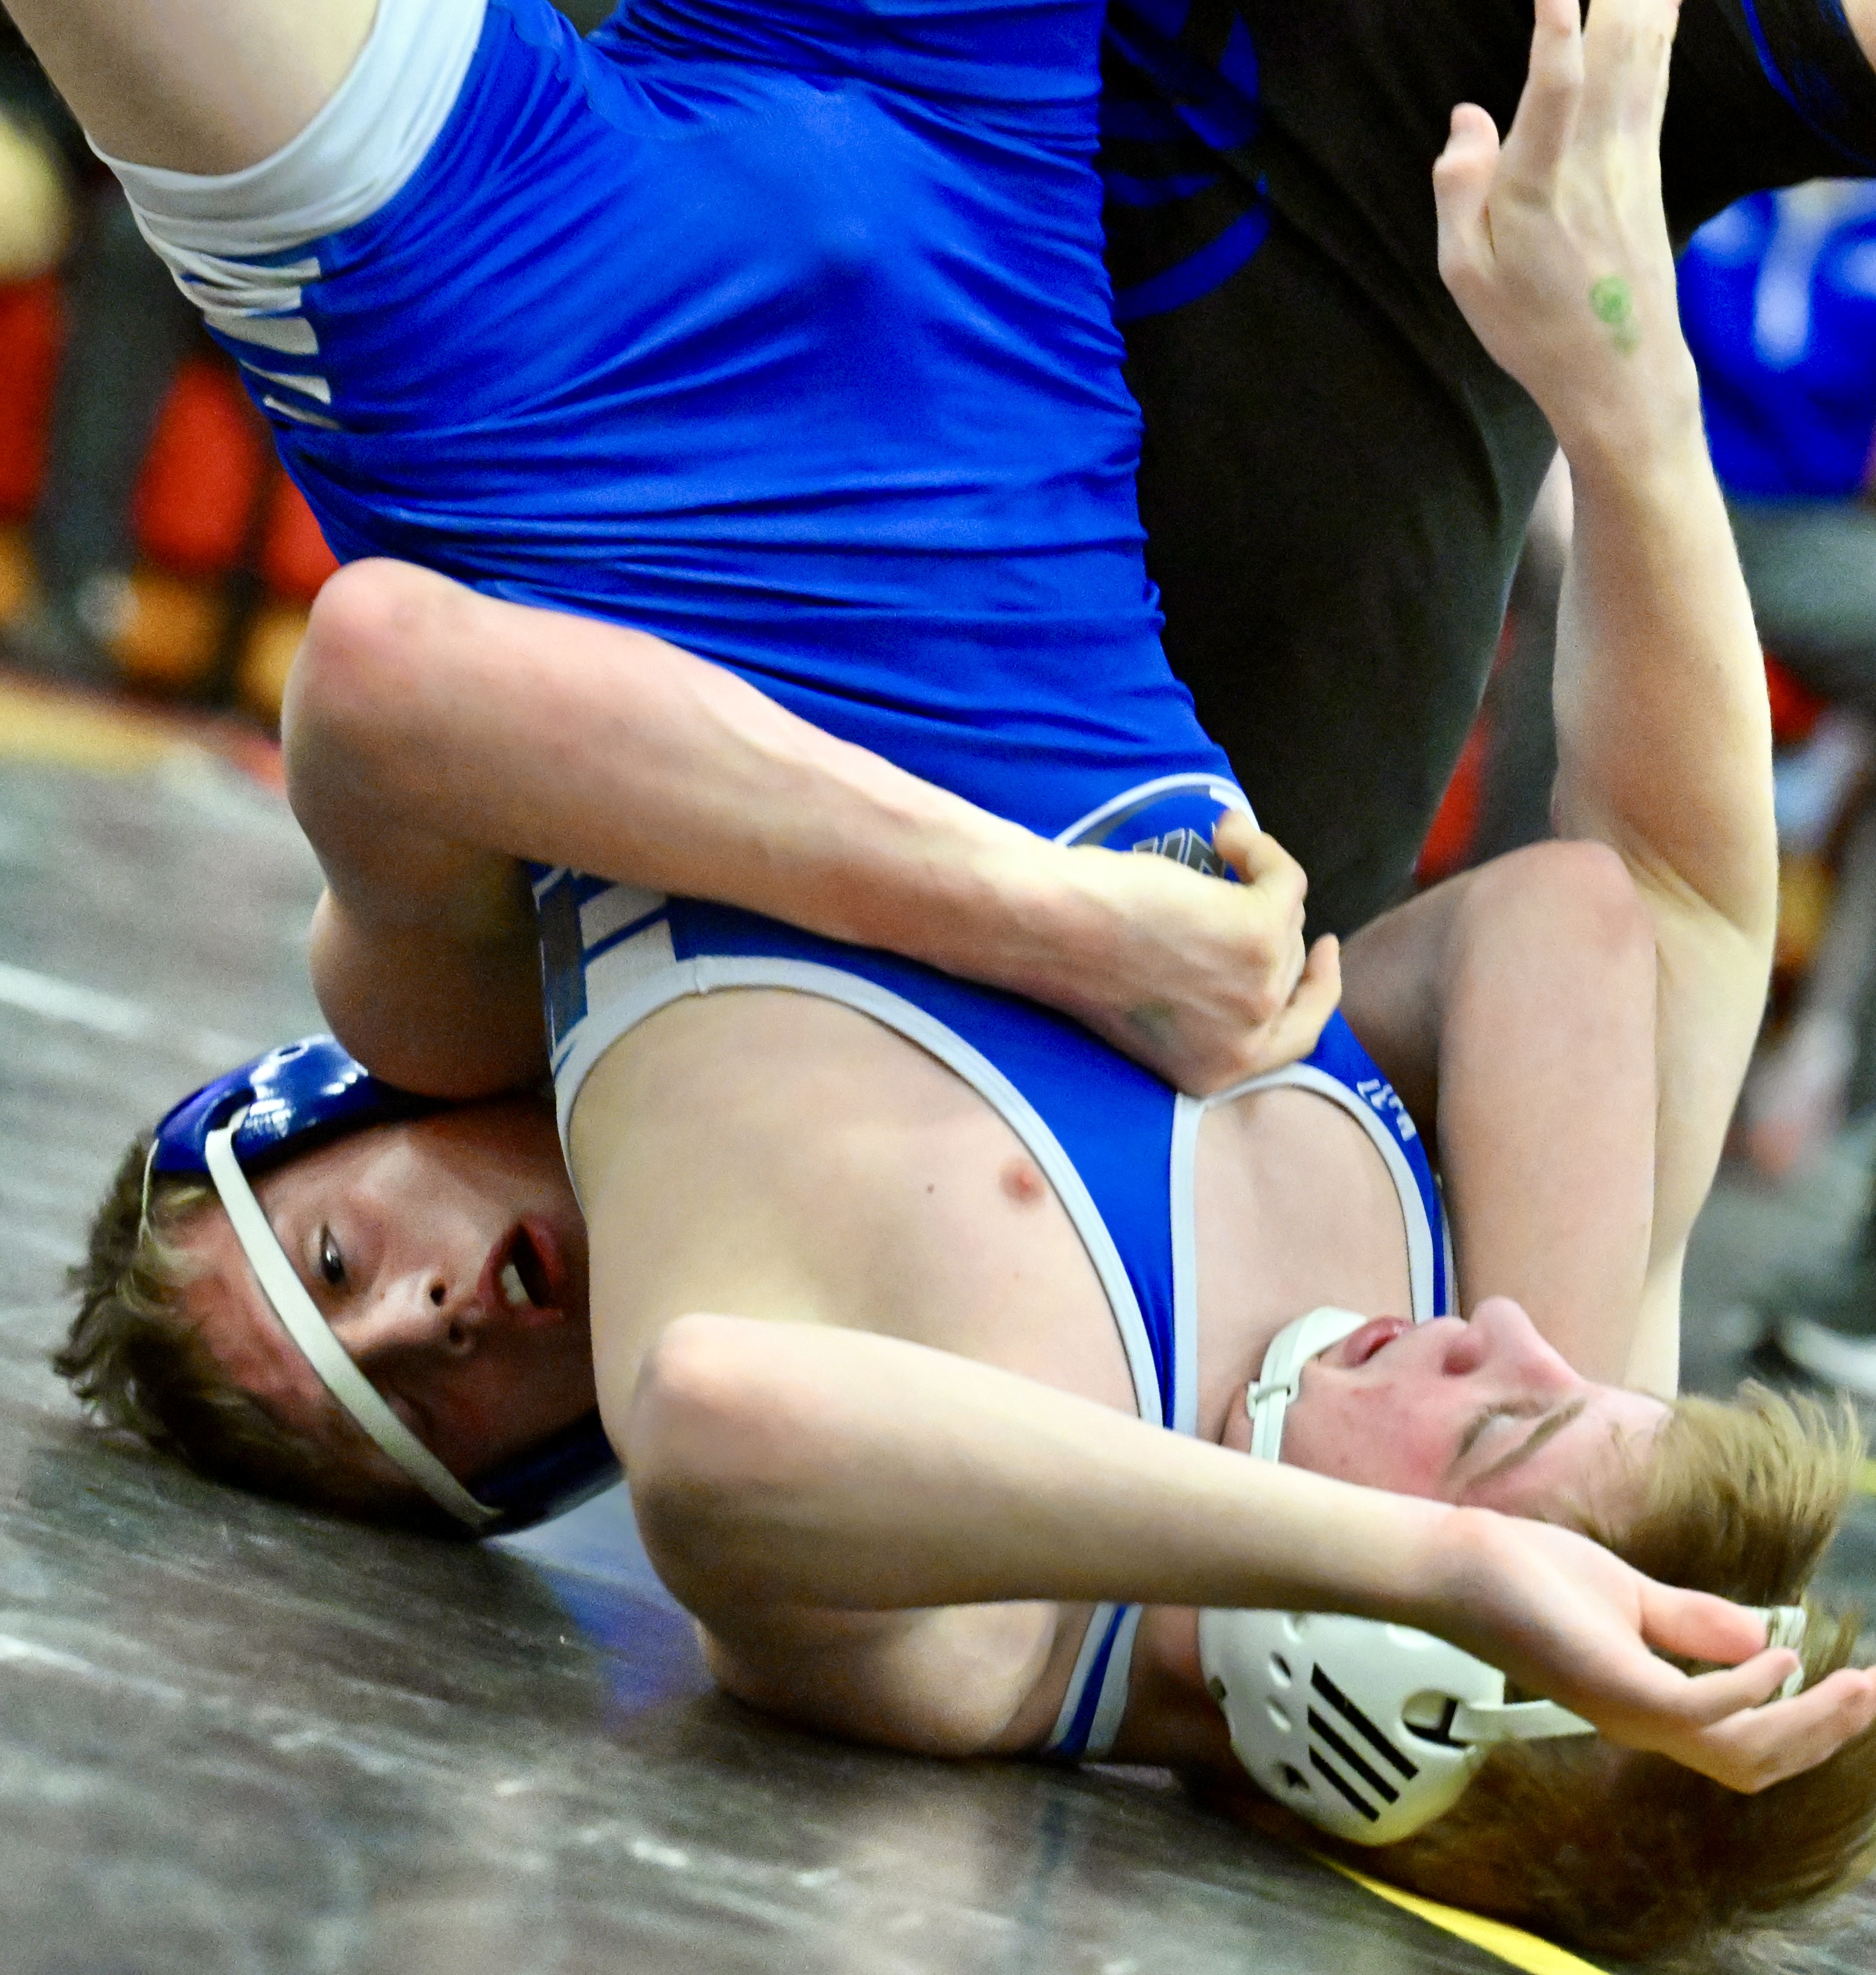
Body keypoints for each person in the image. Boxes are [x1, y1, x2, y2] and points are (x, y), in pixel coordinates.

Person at [42, 0, 1876, 1959]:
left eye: (346, 1281)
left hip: (545, 347)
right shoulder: (1448, 1325)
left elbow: (720, 1411)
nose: (1499, 1352)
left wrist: (1439, 1560)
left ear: (1376, 1666)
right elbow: (1597, 927)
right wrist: (1621, 381)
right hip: (989, 268)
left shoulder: (978, 1647)